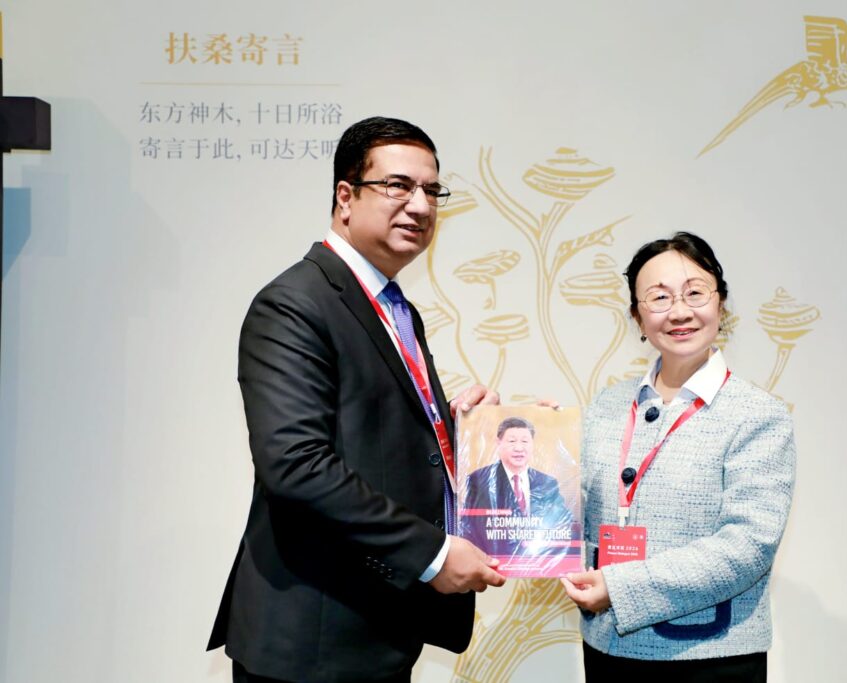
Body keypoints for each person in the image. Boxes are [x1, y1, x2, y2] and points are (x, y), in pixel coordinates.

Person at [207, 116, 507, 683]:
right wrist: (433, 554)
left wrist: (458, 427)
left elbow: (376, 434)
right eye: (398, 186)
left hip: (376, 627)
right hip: (314, 639)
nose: (419, 205)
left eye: (431, 190)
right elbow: (295, 466)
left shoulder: (394, 306)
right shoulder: (294, 303)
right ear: (345, 197)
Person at [560, 231, 796, 681]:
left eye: (695, 293)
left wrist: (621, 586)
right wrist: (535, 438)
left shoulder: (757, 415)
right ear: (637, 316)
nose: (680, 311)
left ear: (720, 303)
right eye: (659, 297)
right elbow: (573, 507)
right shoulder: (606, 406)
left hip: (710, 657)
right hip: (608, 649)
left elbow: (748, 546)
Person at [461, 416, 576, 556]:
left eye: (525, 441)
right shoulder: (480, 480)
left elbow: (562, 523)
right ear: (498, 443)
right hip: (494, 559)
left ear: (532, 444)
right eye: (512, 441)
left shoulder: (547, 482)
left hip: (539, 560)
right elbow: (470, 528)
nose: (519, 448)